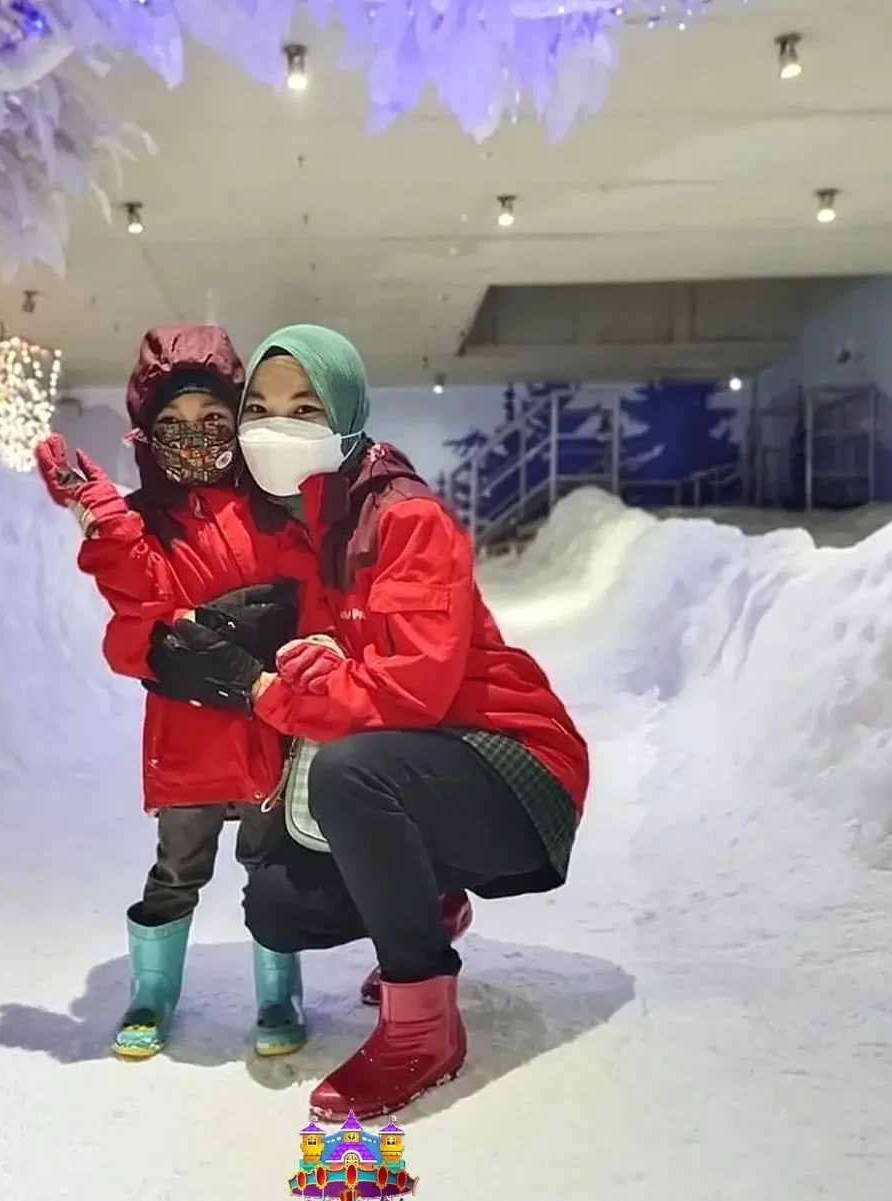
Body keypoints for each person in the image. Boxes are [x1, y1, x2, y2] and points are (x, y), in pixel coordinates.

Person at [143, 324, 590, 1120]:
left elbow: (409, 690)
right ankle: (431, 899)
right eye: (262, 407)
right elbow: (321, 674)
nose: (278, 426)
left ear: (346, 413)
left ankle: (423, 1026)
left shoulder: (404, 518)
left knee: (355, 771)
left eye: (305, 406)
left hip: (519, 772)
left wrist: (261, 685)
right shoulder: (318, 532)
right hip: (436, 771)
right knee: (279, 902)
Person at [33, 324, 317, 1062]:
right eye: (173, 425)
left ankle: (277, 987)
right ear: (145, 434)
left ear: (239, 425)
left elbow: (307, 602)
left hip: (263, 728)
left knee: (269, 865)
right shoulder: (147, 523)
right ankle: (152, 990)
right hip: (188, 740)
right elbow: (142, 614)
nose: (194, 437)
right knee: (176, 870)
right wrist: (109, 523)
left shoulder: (272, 514)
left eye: (213, 421)